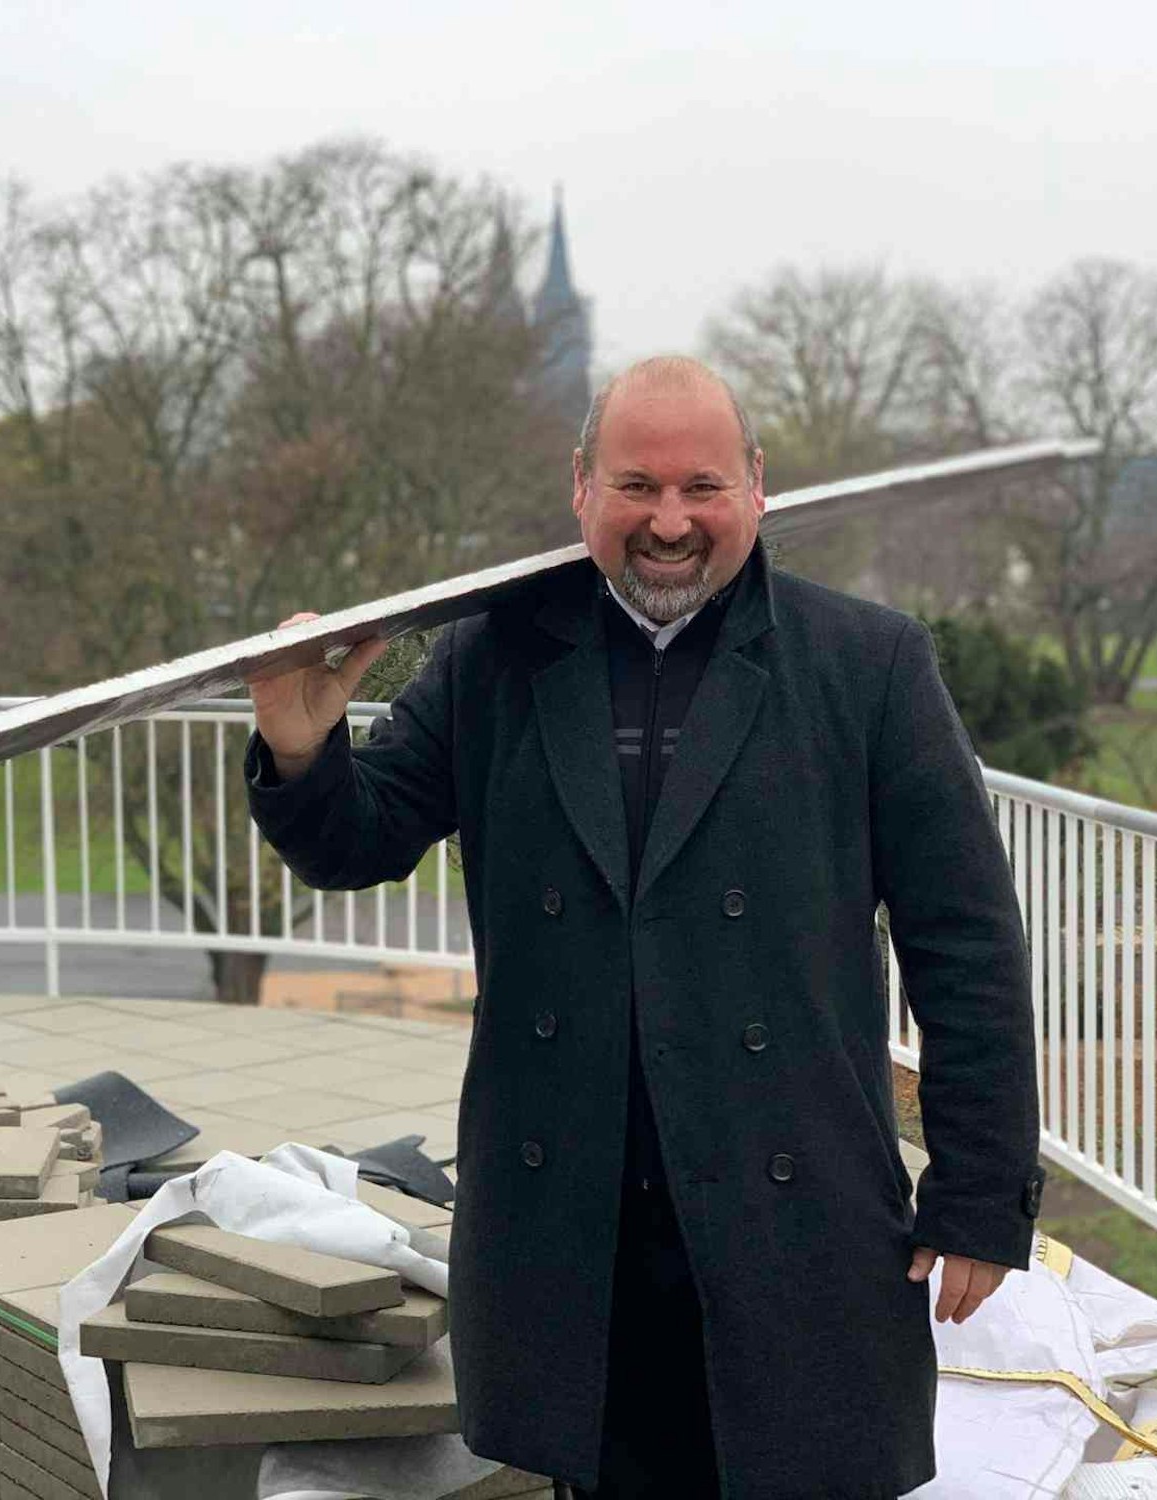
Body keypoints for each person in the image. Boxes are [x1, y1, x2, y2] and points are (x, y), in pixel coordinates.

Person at [241, 356, 1044, 1498]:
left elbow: (965, 945)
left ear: (755, 486)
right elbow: (352, 843)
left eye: (700, 486)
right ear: (580, 489)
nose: (668, 521)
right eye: (636, 486)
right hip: (575, 1218)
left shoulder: (864, 665)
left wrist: (979, 1190)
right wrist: (300, 746)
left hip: (790, 1207)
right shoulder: (495, 657)